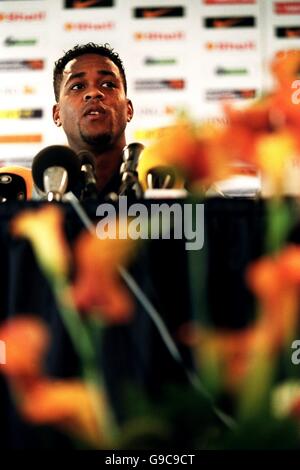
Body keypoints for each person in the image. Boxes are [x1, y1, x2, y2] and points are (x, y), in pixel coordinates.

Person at [52, 42, 134, 197]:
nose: (94, 92)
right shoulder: (29, 196)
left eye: (108, 84)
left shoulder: (164, 185)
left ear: (128, 109)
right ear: (57, 114)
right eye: (77, 86)